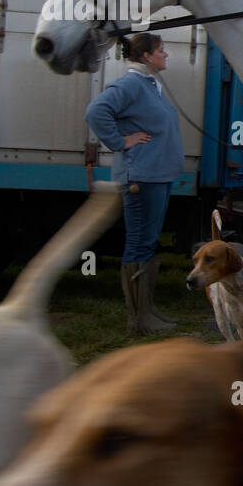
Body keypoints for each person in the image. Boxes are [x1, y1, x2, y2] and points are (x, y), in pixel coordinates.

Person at [85, 34, 183, 333]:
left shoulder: (150, 85)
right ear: (146, 57)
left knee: (148, 243)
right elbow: (96, 111)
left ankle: (147, 312)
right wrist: (119, 141)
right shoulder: (130, 84)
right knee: (139, 244)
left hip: (157, 175)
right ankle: (138, 320)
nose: (166, 55)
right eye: (161, 50)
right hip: (141, 177)